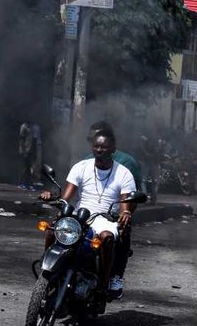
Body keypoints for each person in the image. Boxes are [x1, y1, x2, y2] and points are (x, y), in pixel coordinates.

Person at [39, 130, 137, 301]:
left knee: (107, 238)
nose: (100, 150)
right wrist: (51, 196)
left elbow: (125, 202)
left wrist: (126, 212)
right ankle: (48, 273)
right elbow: (66, 197)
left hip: (105, 219)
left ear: (113, 149)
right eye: (97, 147)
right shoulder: (81, 167)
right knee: (51, 230)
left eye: (104, 147)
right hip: (80, 215)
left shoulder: (123, 173)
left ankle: (103, 284)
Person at [83, 121, 142, 299]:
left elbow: (132, 195)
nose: (98, 147)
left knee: (121, 233)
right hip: (88, 213)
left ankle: (115, 277)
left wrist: (125, 213)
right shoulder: (85, 160)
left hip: (113, 214)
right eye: (92, 140)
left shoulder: (127, 163)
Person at [18, 121, 36, 190]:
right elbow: (21, 139)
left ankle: (28, 184)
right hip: (25, 151)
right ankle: (21, 183)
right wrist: (24, 151)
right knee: (25, 168)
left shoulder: (30, 127)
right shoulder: (23, 126)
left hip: (29, 150)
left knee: (29, 168)